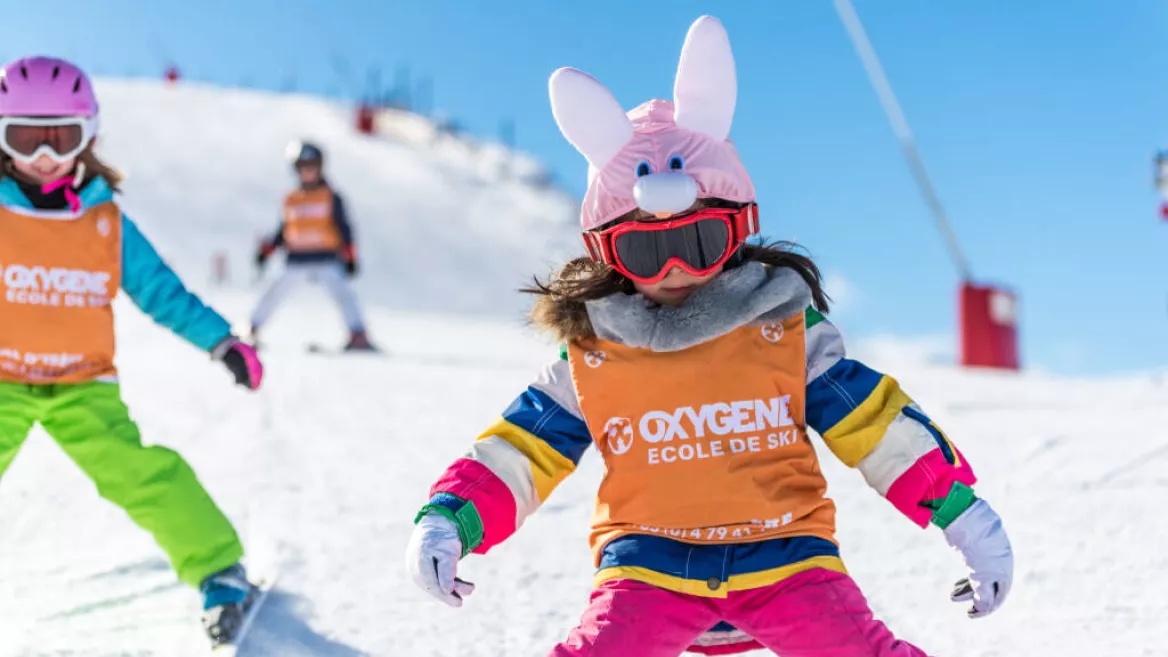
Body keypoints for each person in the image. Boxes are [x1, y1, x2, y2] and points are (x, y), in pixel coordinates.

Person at [404, 17, 1014, 657]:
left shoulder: (779, 327)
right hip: (647, 567)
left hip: (788, 560)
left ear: (738, 228)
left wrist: (964, 516)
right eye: (644, 251)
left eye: (698, 244)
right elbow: (524, 447)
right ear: (607, 252)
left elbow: (877, 427)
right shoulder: (597, 350)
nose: (674, 272)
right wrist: (451, 517)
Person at [0, 56, 265, 644]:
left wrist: (221, 341)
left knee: (143, 475)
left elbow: (161, 292)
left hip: (83, 388)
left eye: (61, 138)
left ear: (87, 136)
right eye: (24, 137)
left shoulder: (105, 222)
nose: (44, 156)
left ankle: (218, 566)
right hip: (2, 383)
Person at [251, 141, 374, 351]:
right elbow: (283, 230)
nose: (307, 172)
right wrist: (267, 251)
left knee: (344, 294)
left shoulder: (330, 196)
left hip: (325, 257)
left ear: (320, 168)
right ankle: (251, 330)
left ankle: (358, 334)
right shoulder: (291, 199)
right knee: (273, 292)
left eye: (312, 167)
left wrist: (351, 256)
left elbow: (344, 229)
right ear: (296, 170)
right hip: (296, 258)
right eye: (302, 168)